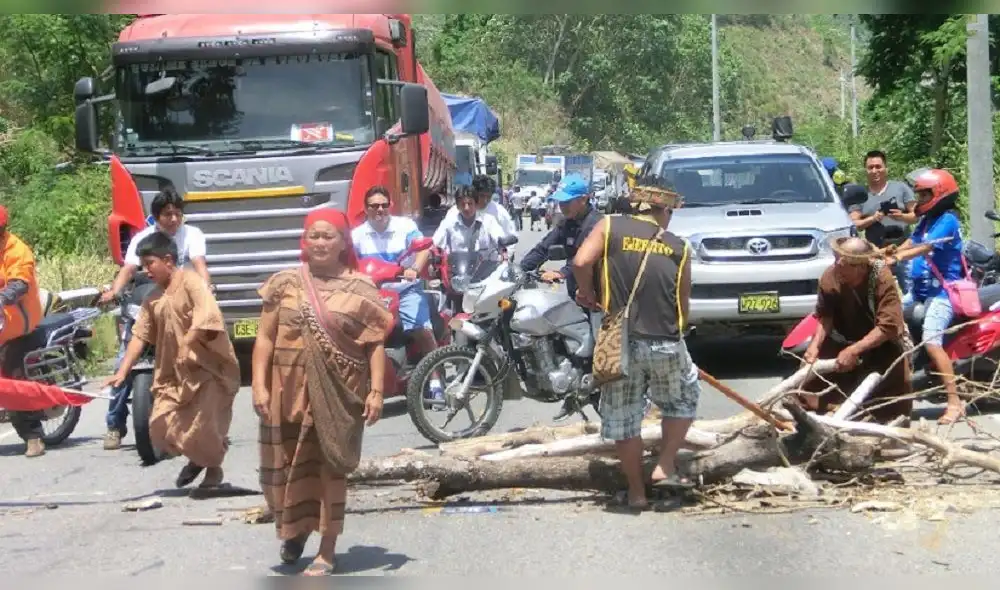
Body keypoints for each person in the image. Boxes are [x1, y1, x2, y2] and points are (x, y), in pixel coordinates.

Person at [252, 208, 391, 577]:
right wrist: (259, 385)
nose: (320, 243)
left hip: (336, 394)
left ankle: (326, 549)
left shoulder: (361, 288)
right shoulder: (284, 283)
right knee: (280, 470)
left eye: (328, 236)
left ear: (344, 242)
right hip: (285, 390)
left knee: (329, 468)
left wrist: (376, 392)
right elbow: (264, 337)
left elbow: (374, 343)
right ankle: (296, 530)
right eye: (313, 235)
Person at [571, 182, 701, 512]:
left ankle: (636, 492)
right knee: (683, 397)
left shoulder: (610, 225)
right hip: (665, 341)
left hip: (621, 342)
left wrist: (587, 293)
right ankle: (664, 464)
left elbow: (581, 262)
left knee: (625, 416)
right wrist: (679, 333)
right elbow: (682, 306)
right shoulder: (678, 247)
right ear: (663, 210)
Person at [105, 231, 239, 488]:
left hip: (207, 369)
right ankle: (196, 458)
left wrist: (188, 344)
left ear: (168, 260)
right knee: (160, 425)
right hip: (172, 373)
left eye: (150, 264)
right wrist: (122, 372)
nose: (146, 271)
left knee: (203, 426)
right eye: (142, 266)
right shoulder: (152, 298)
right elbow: (139, 335)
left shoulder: (191, 283)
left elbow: (207, 315)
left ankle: (213, 471)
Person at [99, 187, 211, 451]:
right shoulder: (143, 239)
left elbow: (200, 266)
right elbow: (127, 270)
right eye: (166, 214)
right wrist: (114, 292)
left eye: (177, 214)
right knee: (122, 364)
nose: (173, 219)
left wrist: (205, 291)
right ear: (156, 217)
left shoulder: (192, 235)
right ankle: (114, 425)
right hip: (149, 303)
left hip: (182, 307)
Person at [799, 237, 913, 424]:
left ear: (860, 267)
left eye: (842, 263)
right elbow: (825, 315)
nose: (837, 266)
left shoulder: (880, 278)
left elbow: (888, 326)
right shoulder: (830, 277)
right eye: (836, 259)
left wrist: (855, 350)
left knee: (891, 399)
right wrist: (814, 346)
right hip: (839, 342)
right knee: (810, 388)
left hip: (879, 345)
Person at [884, 169, 965, 424]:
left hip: (943, 293)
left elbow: (926, 247)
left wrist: (896, 258)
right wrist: (886, 252)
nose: (919, 199)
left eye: (924, 194)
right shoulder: (927, 220)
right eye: (918, 194)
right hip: (919, 292)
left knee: (932, 339)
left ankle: (954, 403)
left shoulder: (948, 220)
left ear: (939, 193)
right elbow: (912, 241)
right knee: (887, 318)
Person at [520, 174, 604, 421]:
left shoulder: (595, 224)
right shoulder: (566, 223)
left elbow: (585, 260)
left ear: (584, 199)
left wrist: (562, 272)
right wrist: (519, 269)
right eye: (560, 201)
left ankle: (597, 388)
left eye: (568, 201)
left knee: (598, 349)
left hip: (597, 296)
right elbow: (544, 248)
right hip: (576, 293)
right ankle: (572, 388)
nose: (562, 205)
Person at [351, 185, 437, 377]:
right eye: (374, 206)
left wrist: (414, 269)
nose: (379, 210)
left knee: (421, 329)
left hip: (405, 290)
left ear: (390, 205)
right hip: (371, 294)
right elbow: (348, 263)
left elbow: (423, 248)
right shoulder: (356, 235)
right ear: (366, 209)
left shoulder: (405, 226)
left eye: (383, 205)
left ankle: (435, 378)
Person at [0, 205, 46, 457]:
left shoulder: (17, 250)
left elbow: (19, 282)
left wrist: (2, 297)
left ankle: (33, 437)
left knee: (11, 378)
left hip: (19, 328)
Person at [848, 150, 916, 286]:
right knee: (877, 293)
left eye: (878, 166)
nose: (874, 171)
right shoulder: (859, 195)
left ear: (886, 168)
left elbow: (916, 216)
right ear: (865, 170)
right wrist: (873, 218)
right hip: (875, 253)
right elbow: (854, 224)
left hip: (903, 249)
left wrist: (901, 216)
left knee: (911, 292)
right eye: (870, 167)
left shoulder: (901, 188)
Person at [432, 191, 509, 262]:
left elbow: (499, 238)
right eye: (462, 204)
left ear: (476, 205)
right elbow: (435, 242)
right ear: (458, 207)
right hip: (456, 271)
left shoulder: (489, 221)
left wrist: (503, 251)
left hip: (486, 270)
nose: (466, 208)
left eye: (470, 203)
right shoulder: (448, 223)